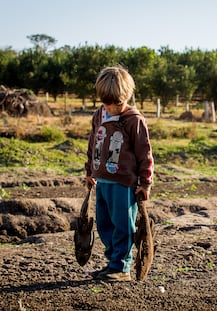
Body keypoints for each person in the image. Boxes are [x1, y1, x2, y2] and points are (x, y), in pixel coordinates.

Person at [85, 65, 154, 281]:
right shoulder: (99, 115)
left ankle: (121, 267)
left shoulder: (134, 120)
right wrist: (90, 170)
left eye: (118, 103)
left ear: (127, 97)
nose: (112, 108)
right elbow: (92, 143)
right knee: (104, 224)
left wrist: (145, 183)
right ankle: (112, 262)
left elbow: (145, 153)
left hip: (124, 183)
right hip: (102, 180)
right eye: (107, 103)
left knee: (123, 225)